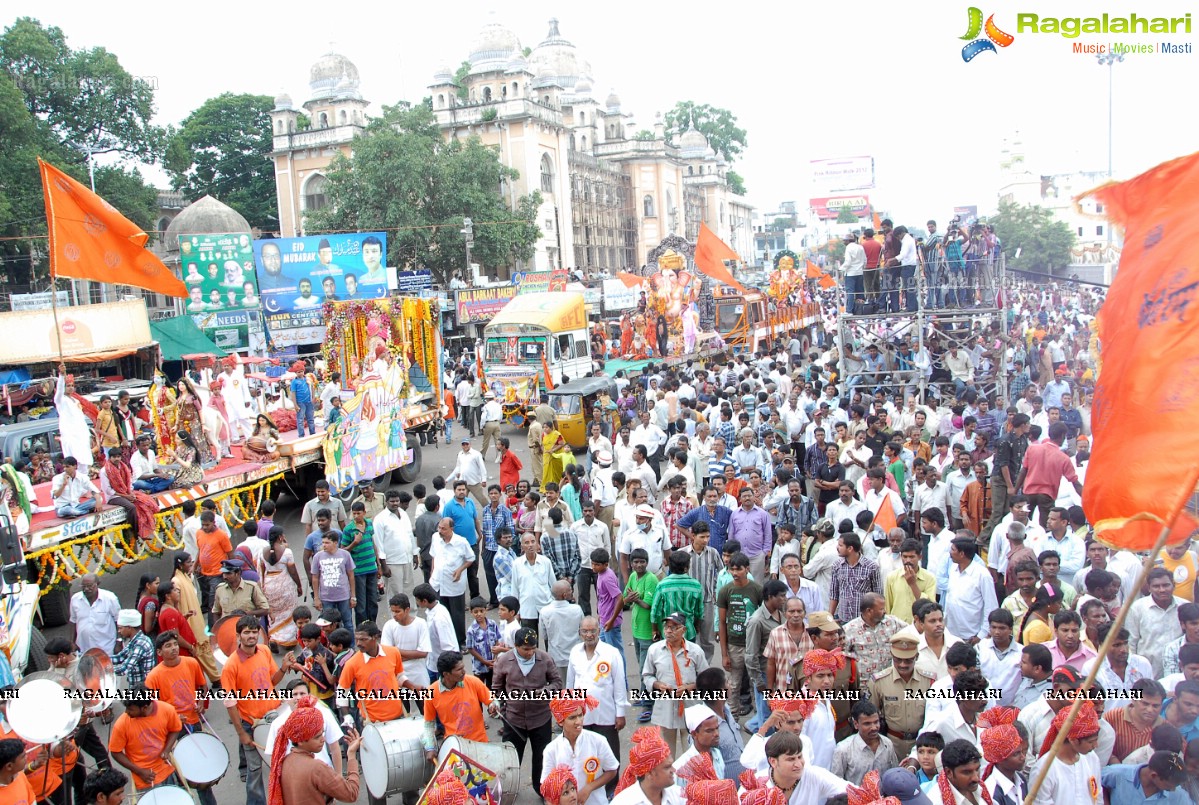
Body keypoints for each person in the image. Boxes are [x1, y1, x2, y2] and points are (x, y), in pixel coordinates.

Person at [223, 615, 289, 805]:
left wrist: (283, 668)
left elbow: (272, 682)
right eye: (247, 633)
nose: (251, 636)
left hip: (274, 717)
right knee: (254, 770)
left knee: (281, 762)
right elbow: (230, 703)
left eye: (254, 632)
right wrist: (242, 733)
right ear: (238, 636)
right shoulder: (231, 665)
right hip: (251, 723)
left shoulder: (265, 651)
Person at [492, 627, 563, 797]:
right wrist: (500, 707)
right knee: (510, 760)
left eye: (533, 648)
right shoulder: (503, 661)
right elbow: (496, 688)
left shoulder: (545, 659)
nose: (530, 652)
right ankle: (508, 790)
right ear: (515, 646)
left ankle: (542, 789)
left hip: (541, 719)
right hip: (513, 720)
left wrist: (545, 691)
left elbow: (557, 683)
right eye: (525, 649)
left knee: (542, 757)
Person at [269, 697, 362, 805]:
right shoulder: (317, 768)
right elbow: (351, 794)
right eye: (317, 737)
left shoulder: (285, 761)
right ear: (300, 741)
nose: (323, 739)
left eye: (322, 733)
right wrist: (351, 757)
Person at [643, 612, 709, 754]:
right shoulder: (655, 650)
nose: (668, 631)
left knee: (691, 756)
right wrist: (657, 685)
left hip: (690, 707)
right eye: (666, 627)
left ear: (684, 630)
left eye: (674, 627)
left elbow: (706, 678)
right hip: (665, 707)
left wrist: (690, 687)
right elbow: (647, 676)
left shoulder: (695, 651)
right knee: (666, 755)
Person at [541, 692, 619, 805]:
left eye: (580, 715)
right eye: (572, 718)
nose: (578, 721)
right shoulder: (551, 749)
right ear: (560, 721)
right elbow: (546, 785)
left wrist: (589, 788)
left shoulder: (598, 741)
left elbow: (612, 770)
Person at [869, 629, 935, 758]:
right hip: (891, 745)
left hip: (922, 746)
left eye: (908, 660)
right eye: (898, 660)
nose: (902, 664)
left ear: (916, 657)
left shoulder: (929, 681)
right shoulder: (879, 682)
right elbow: (872, 716)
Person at [108, 685, 183, 793]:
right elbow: (115, 752)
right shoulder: (122, 724)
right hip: (145, 780)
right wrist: (139, 771)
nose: (126, 712)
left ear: (144, 708)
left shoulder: (167, 710)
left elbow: (175, 728)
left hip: (167, 771)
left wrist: (167, 749)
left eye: (130, 709)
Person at [1029, 701, 1103, 805]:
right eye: (1091, 741)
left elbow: (1098, 797)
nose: (1096, 745)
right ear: (1073, 740)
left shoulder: (1092, 758)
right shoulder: (1043, 769)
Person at [830, 699, 898, 786]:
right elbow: (835, 784)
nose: (874, 727)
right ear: (856, 724)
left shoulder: (887, 744)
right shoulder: (843, 749)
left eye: (876, 722)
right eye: (867, 724)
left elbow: (894, 774)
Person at [70, 573, 120, 655]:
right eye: (83, 586)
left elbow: (118, 621)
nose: (86, 589)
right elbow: (73, 621)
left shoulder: (110, 598)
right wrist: (72, 642)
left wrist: (118, 642)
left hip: (106, 649)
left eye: (90, 586)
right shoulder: (75, 599)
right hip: (83, 649)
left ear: (97, 584)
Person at [111, 608, 155, 687]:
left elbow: (124, 669)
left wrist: (104, 670)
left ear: (129, 628)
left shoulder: (141, 644)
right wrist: (101, 660)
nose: (119, 631)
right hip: (135, 688)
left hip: (143, 690)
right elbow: (120, 657)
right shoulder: (134, 641)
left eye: (121, 628)